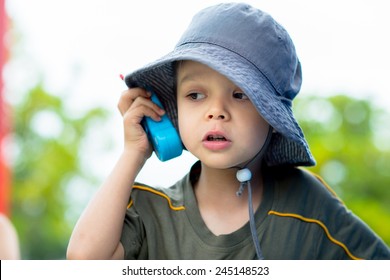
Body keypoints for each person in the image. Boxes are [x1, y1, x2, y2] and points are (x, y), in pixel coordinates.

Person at [67, 2, 390, 260]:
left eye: (240, 95)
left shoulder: (310, 207)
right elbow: (84, 259)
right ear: (172, 111)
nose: (215, 111)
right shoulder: (150, 210)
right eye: (195, 95)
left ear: (271, 118)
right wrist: (133, 153)